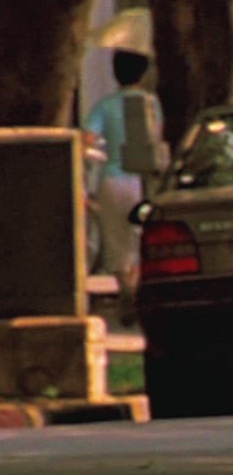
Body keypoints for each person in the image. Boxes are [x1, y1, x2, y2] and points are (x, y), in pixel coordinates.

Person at [82, 47, 165, 320]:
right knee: (139, 239)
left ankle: (125, 290)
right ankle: (137, 287)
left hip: (112, 181)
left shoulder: (105, 106)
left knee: (115, 242)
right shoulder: (151, 104)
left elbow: (88, 139)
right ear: (143, 73)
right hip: (141, 181)